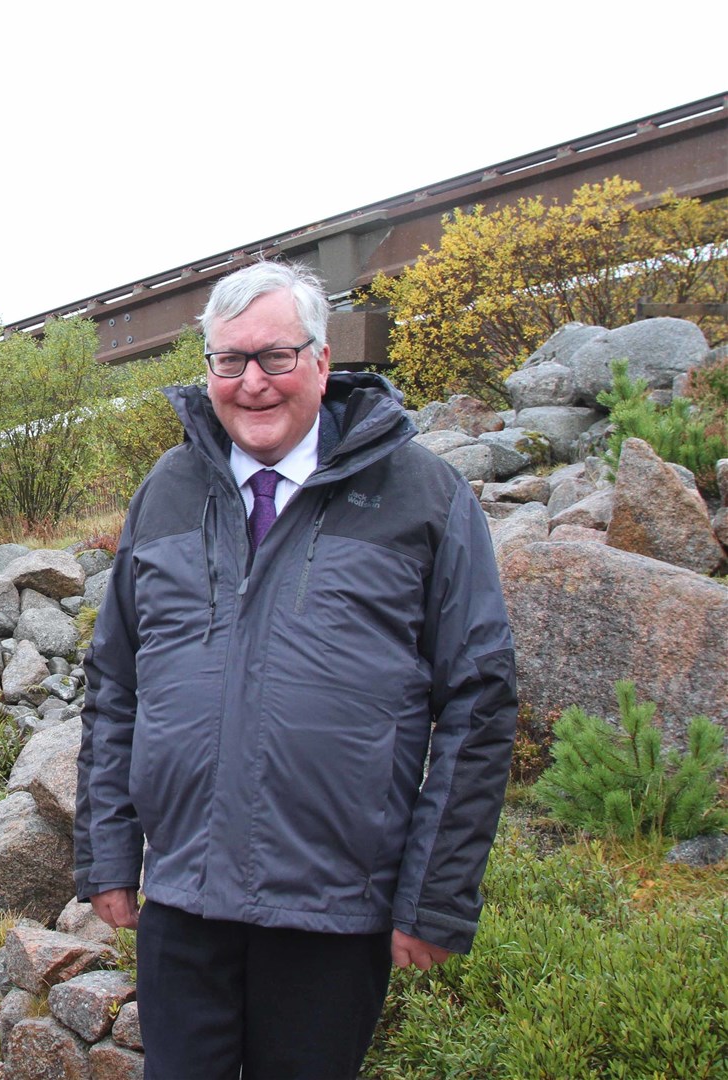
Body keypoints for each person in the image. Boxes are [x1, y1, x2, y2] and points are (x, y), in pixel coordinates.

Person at [75, 261, 517, 1079]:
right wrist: (108, 856)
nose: (253, 383)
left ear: (321, 360)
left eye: (276, 357)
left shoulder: (424, 497)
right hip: (184, 899)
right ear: (206, 368)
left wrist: (435, 897)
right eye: (230, 361)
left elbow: (478, 706)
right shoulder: (166, 494)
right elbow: (116, 687)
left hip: (334, 911)